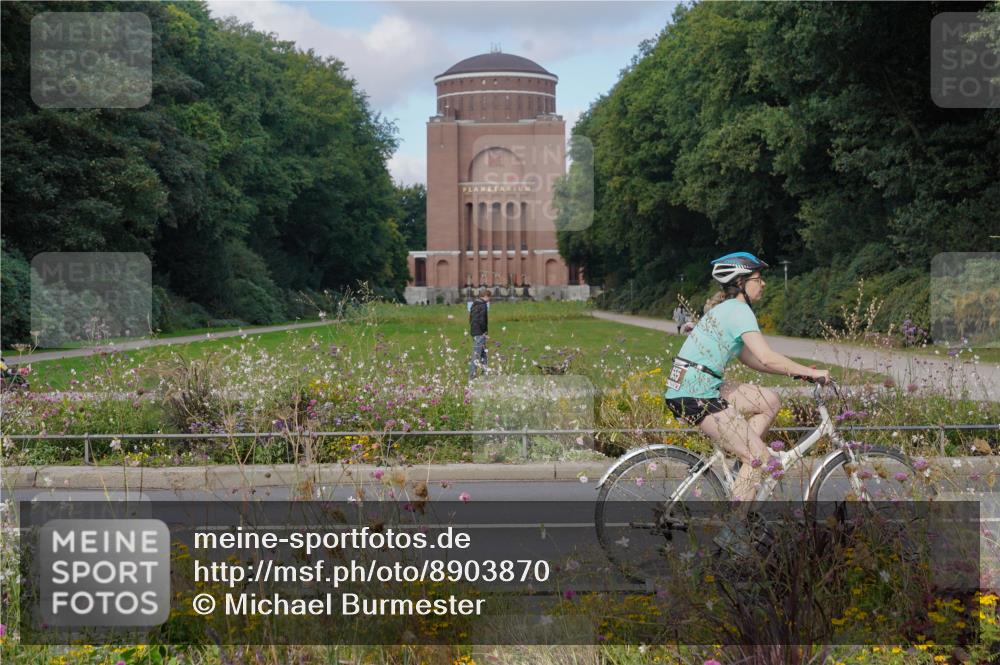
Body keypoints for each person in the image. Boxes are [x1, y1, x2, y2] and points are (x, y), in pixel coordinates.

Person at [664, 252, 830, 501]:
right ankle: (734, 532)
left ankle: (743, 474)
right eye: (758, 278)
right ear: (741, 282)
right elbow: (766, 357)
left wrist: (798, 373)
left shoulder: (726, 309)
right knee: (759, 457)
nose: (762, 283)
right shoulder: (739, 311)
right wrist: (812, 372)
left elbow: (751, 359)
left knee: (769, 401)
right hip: (697, 392)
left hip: (694, 385)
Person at [468, 288, 491, 379]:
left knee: (483, 354)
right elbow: (482, 321)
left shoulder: (474, 304)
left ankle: (485, 373)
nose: (489, 299)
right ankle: (472, 376)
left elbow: (471, 319)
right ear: (485, 296)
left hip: (474, 331)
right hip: (480, 333)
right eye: (489, 297)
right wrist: (484, 333)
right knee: (477, 354)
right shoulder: (483, 305)